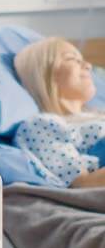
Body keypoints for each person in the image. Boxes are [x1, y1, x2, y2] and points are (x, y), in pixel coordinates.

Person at [14, 37, 105, 188]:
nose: (88, 65)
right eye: (72, 59)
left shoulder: (98, 115)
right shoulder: (42, 125)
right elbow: (81, 184)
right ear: (45, 73)